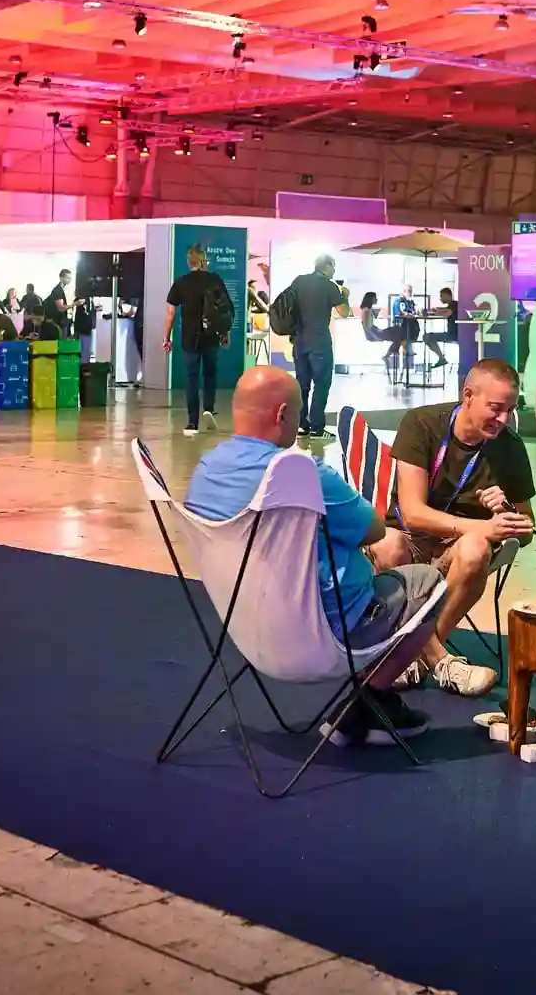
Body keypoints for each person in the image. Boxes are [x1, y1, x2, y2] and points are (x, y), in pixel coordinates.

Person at [185, 366, 435, 746]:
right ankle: (371, 699)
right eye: (299, 414)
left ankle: (365, 709)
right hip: (327, 635)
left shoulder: (205, 471)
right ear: (283, 414)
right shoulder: (301, 473)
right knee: (429, 582)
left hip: (246, 631)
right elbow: (375, 530)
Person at [380, 359, 536, 697]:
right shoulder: (422, 423)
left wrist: (506, 513)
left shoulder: (510, 447)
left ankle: (413, 657)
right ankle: (439, 659)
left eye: (510, 409)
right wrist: (481, 526)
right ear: (468, 395)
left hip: (461, 550)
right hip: (412, 538)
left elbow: (528, 529)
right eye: (495, 408)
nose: (503, 420)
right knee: (387, 544)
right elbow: (413, 512)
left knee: (477, 547)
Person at [162, 244, 233, 437]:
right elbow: (224, 309)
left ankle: (192, 423)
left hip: (189, 336)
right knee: (210, 373)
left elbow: (170, 313)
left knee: (191, 378)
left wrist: (166, 338)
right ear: (203, 261)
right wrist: (225, 333)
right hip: (211, 335)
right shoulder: (214, 280)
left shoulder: (181, 282)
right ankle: (208, 409)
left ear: (188, 262)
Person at [283, 254, 349, 439]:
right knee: (321, 383)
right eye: (333, 267)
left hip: (299, 340)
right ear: (326, 266)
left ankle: (302, 425)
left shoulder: (299, 281)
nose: (334, 271)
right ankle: (317, 428)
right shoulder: (330, 286)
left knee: (302, 384)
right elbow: (344, 312)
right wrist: (345, 296)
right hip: (319, 341)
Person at [46, 269, 76, 337]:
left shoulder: (63, 290)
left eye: (70, 278)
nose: (70, 280)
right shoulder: (58, 290)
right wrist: (74, 304)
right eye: (68, 277)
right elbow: (61, 308)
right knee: (61, 343)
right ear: (61, 278)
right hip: (58, 322)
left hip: (63, 321)